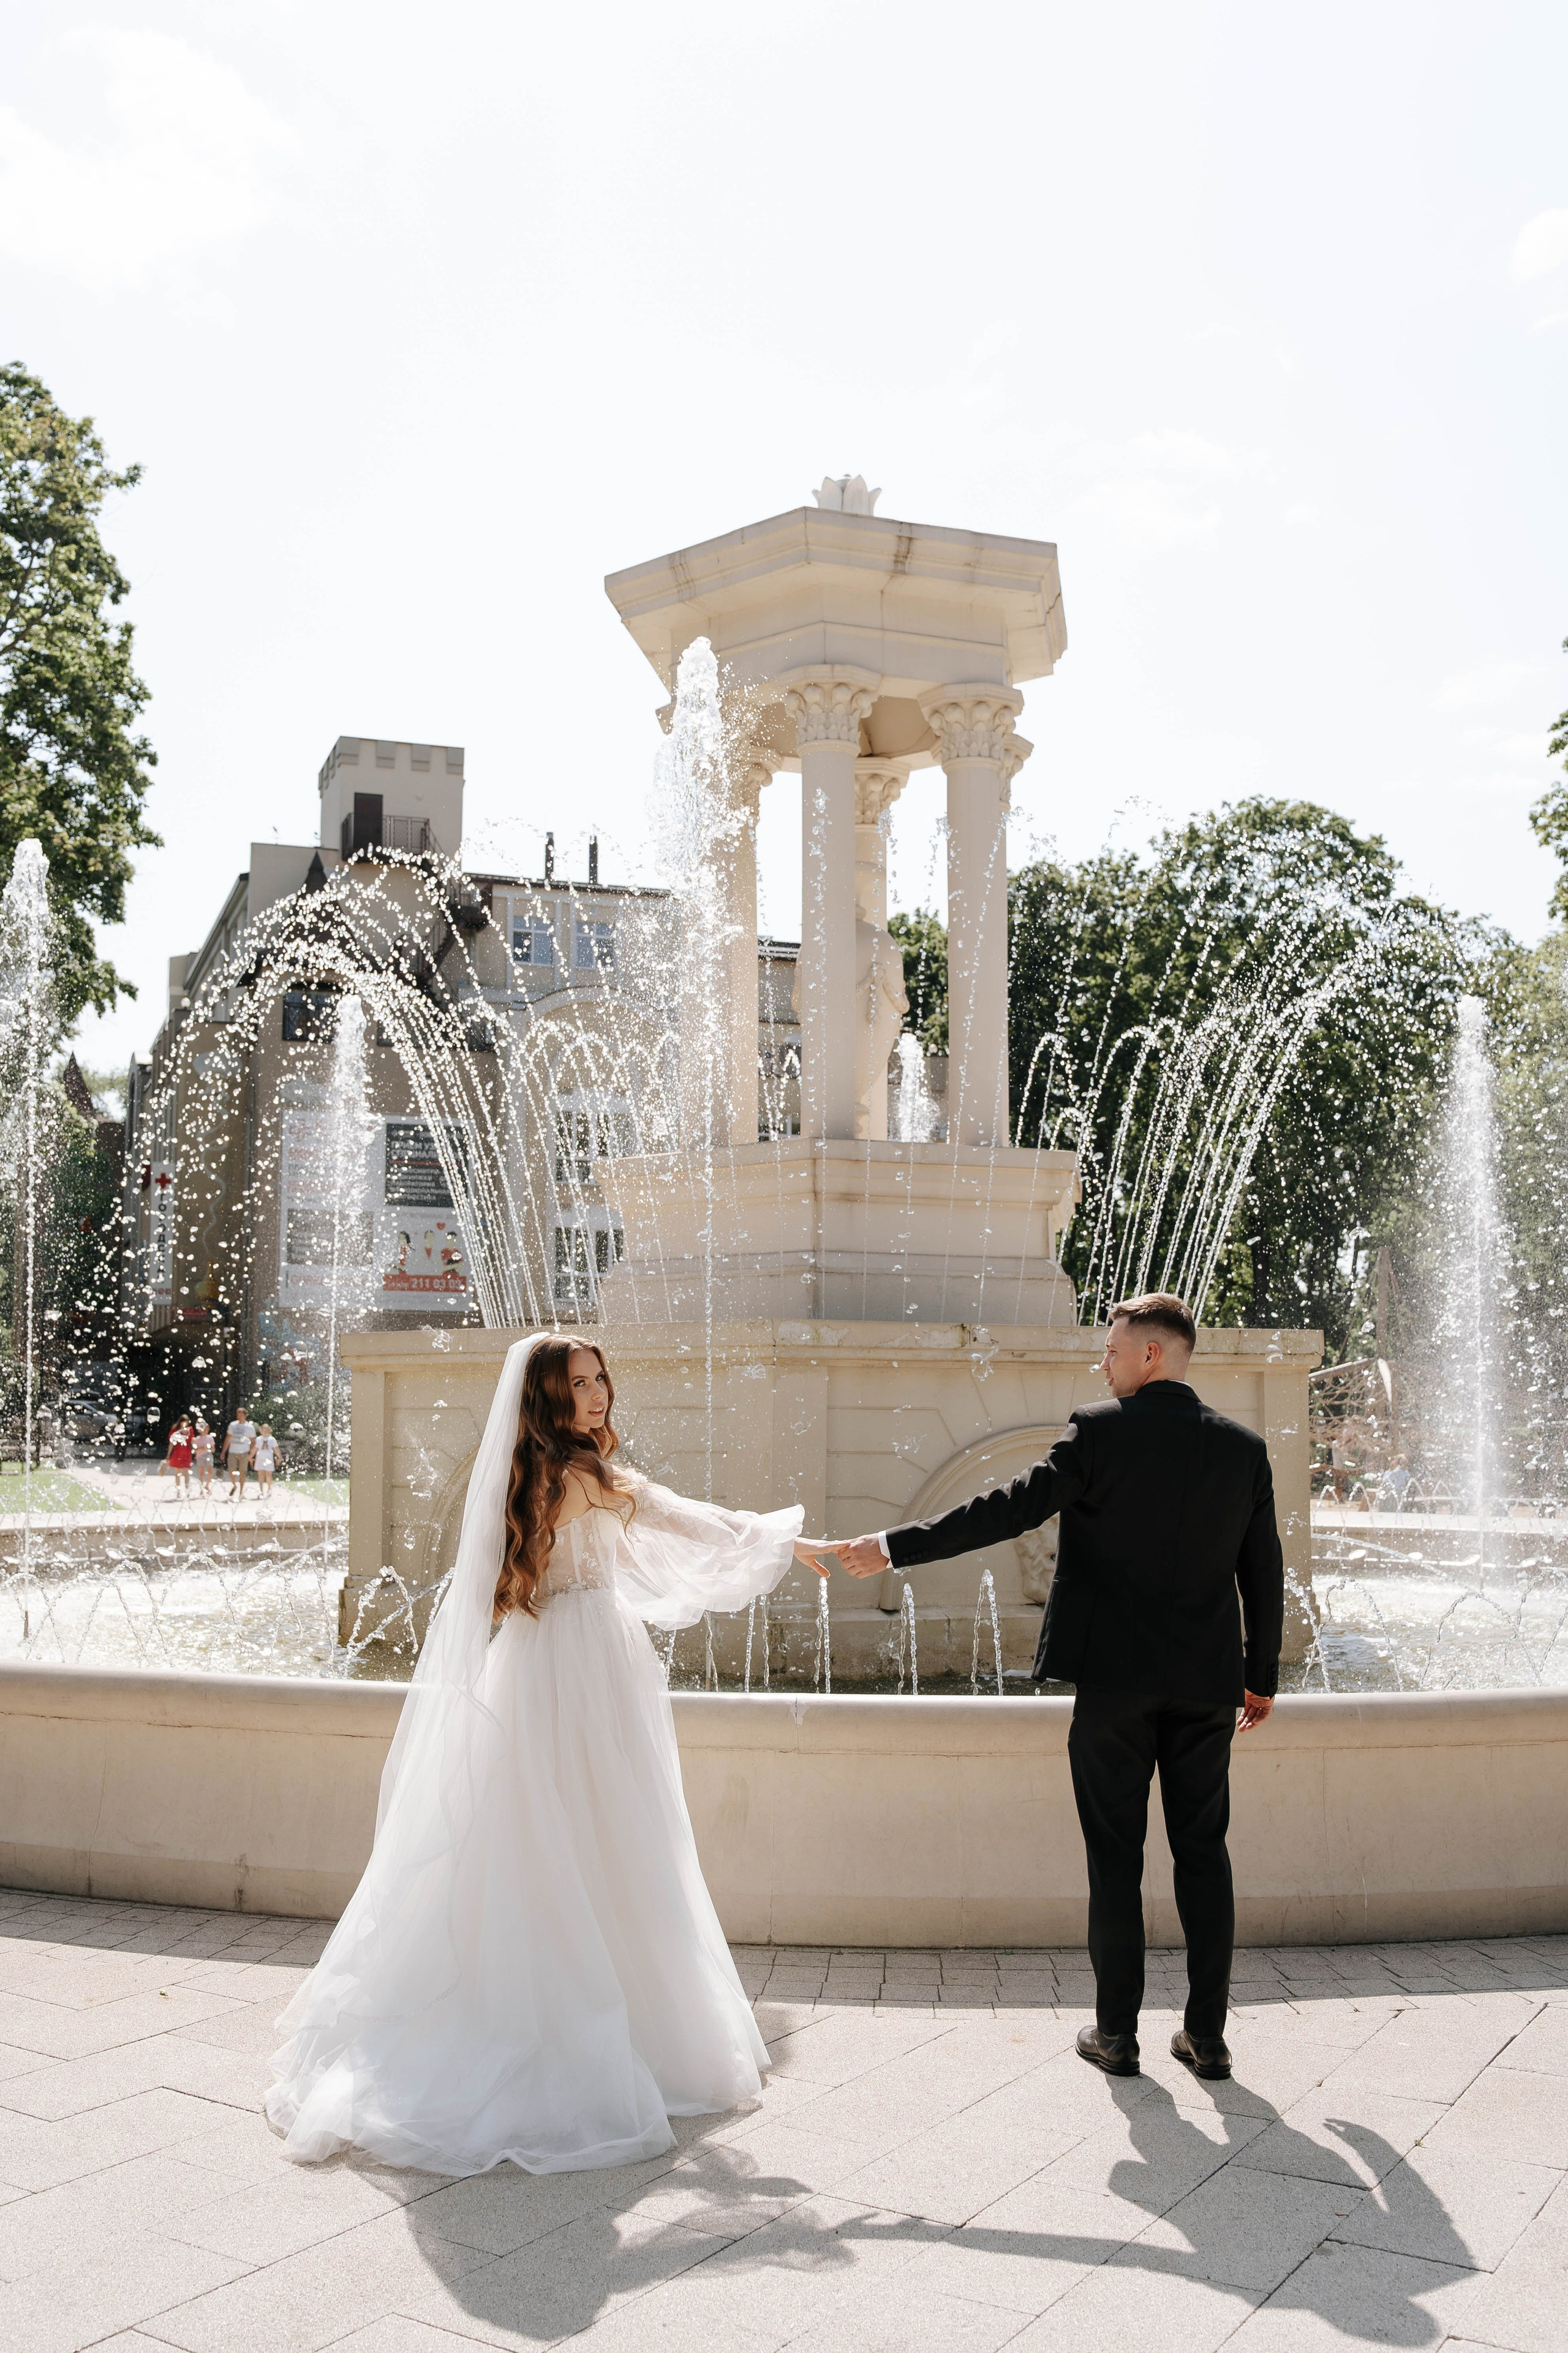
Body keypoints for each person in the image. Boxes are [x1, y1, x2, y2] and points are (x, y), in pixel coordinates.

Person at [266, 1333, 824, 2175]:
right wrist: (786, 1541)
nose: (599, 1394)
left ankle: (530, 2006)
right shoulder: (584, 1473)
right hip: (589, 1666)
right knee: (614, 1837)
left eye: (602, 1377)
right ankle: (607, 2029)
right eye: (580, 1383)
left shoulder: (532, 1474)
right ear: (549, 1398)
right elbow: (682, 1517)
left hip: (532, 1662)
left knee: (535, 1840)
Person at [816, 1291, 1283, 2085]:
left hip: (1114, 1684)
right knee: (1205, 1855)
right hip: (1206, 1686)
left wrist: (892, 1548)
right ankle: (1208, 2038)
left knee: (1116, 1860)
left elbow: (1009, 1510)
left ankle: (1118, 2036)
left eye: (1113, 1349)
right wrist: (1260, 1676)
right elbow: (1263, 1570)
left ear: (1152, 1355)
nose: (1103, 1361)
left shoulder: (1100, 1430)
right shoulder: (1242, 1448)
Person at [224, 1408, 255, 1497]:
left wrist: (250, 1452)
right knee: (231, 1471)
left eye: (241, 1414)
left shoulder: (249, 1427)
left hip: (244, 1452)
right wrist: (224, 1452)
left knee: (243, 1473)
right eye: (238, 1414)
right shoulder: (233, 1425)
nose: (239, 1416)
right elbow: (228, 1439)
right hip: (233, 1452)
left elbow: (254, 1441)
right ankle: (234, 1485)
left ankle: (241, 1492)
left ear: (245, 1415)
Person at [160, 1415, 194, 1497]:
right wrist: (168, 1455)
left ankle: (187, 1490)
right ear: (180, 1422)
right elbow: (172, 1443)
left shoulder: (190, 1430)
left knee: (186, 1473)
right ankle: (178, 1491)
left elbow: (192, 1440)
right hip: (177, 1454)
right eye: (183, 1421)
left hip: (186, 1454)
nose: (185, 1423)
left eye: (186, 1422)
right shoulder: (175, 1431)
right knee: (177, 1473)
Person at [252, 1422, 281, 1495]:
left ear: (269, 1430)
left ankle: (269, 1489)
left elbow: (276, 1449)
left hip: (269, 1458)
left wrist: (279, 1457)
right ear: (261, 1430)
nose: (265, 1430)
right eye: (263, 1429)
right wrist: (250, 1457)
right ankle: (261, 1491)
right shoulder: (258, 1439)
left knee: (269, 1474)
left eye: (266, 1429)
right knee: (261, 1474)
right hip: (260, 1458)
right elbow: (255, 1449)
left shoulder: (272, 1439)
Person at [192, 1418, 215, 1494]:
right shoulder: (197, 1439)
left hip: (208, 1455)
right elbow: (194, 1451)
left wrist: (208, 1448)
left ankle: (207, 1486)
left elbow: (213, 1449)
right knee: (201, 1473)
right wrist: (202, 1448)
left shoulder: (210, 1438)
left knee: (210, 1472)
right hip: (200, 1456)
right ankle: (202, 1489)